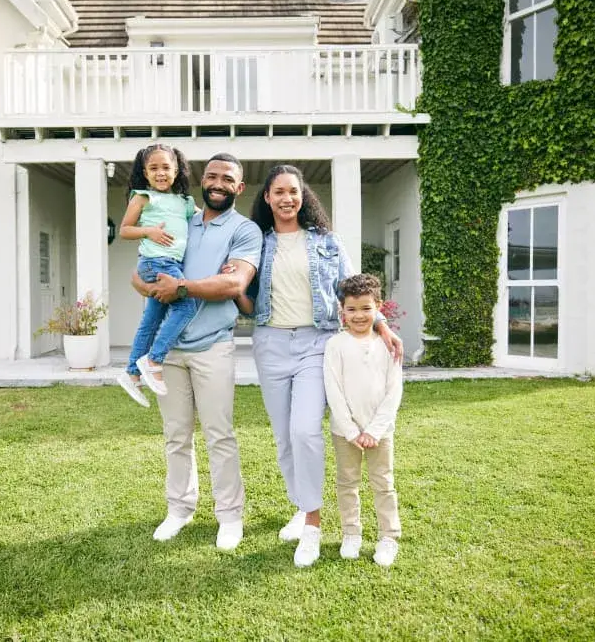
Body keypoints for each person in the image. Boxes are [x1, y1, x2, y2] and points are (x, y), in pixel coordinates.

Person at [232, 164, 402, 568]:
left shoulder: (326, 240)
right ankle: (302, 505)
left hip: (315, 343)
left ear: (303, 196)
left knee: (305, 430)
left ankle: (312, 524)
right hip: (270, 342)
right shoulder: (258, 242)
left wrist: (382, 326)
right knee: (285, 438)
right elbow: (248, 296)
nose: (287, 198)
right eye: (279, 192)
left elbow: (351, 286)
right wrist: (235, 292)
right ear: (267, 198)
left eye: (294, 191)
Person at [131, 152, 261, 552]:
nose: (218, 183)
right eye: (211, 176)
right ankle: (179, 510)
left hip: (213, 346)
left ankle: (229, 516)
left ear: (239, 188)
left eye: (227, 178)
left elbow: (234, 285)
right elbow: (139, 275)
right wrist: (155, 288)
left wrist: (182, 288)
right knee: (176, 435)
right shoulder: (177, 216)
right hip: (168, 351)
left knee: (219, 434)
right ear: (201, 181)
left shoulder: (245, 230)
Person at [323, 273, 403, 567]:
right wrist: (352, 430)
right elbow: (334, 390)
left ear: (378, 307)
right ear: (341, 310)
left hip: (380, 432)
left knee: (383, 482)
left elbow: (394, 391)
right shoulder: (335, 345)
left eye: (366, 308)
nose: (359, 315)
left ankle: (388, 536)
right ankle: (351, 533)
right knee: (347, 483)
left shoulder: (388, 344)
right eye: (352, 309)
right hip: (345, 433)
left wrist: (374, 430)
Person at [116, 143, 197, 407]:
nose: (160, 173)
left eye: (166, 167)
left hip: (169, 262)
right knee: (187, 306)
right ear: (145, 172)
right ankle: (154, 360)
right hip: (156, 262)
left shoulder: (184, 202)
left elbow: (204, 218)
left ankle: (132, 373)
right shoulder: (142, 197)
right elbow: (125, 230)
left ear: (176, 170)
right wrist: (148, 231)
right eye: (154, 168)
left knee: (151, 320)